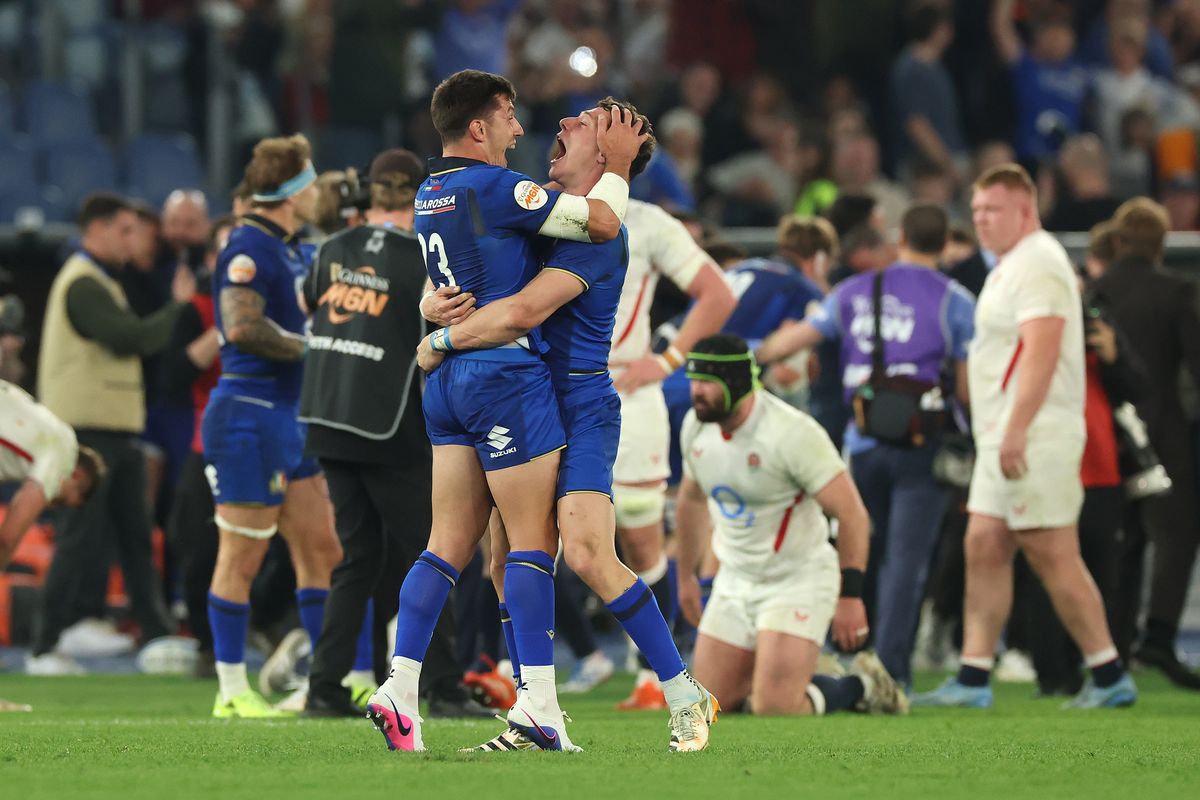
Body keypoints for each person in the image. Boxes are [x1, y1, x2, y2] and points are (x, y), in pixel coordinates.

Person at [416, 96, 719, 753]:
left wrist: (437, 344)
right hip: (517, 398)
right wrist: (429, 299)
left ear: (606, 155)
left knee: (585, 551)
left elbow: (523, 310)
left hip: (578, 404)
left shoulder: (603, 236)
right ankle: (535, 710)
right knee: (505, 559)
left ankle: (684, 693)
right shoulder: (541, 218)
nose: (558, 127)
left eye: (580, 126)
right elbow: (473, 277)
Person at [365, 69, 642, 754]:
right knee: (529, 543)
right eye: (510, 116)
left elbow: (447, 282)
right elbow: (601, 222)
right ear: (480, 127)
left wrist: (432, 323)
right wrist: (624, 168)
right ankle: (541, 704)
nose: (521, 129)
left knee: (446, 544)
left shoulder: (430, 191)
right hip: (503, 374)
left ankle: (400, 685)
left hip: (447, 384)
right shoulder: (497, 186)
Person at [914, 163, 1137, 709]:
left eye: (994, 210)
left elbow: (1042, 349)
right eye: (977, 212)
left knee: (1052, 552)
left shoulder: (1039, 262)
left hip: (1032, 433)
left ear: (1026, 209)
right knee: (984, 543)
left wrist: (1015, 428)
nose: (983, 221)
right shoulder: (1011, 264)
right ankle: (973, 675)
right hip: (1005, 433)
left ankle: (1109, 675)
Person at [297, 149, 488, 719]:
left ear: (371, 190)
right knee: (435, 550)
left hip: (326, 417)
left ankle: (326, 687)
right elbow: (450, 321)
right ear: (420, 194)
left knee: (360, 557)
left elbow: (315, 306)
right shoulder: (422, 258)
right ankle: (446, 686)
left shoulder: (330, 249)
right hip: (388, 424)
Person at [756, 204, 975, 689]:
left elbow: (794, 340)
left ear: (900, 239)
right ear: (944, 245)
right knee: (907, 561)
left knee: (857, 550)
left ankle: (848, 654)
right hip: (925, 441)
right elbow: (964, 389)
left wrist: (749, 356)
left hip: (862, 439)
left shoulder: (857, 290)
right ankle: (893, 671)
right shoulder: (956, 301)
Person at [672, 334, 907, 717]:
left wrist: (850, 596)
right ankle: (795, 669)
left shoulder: (791, 433)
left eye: (706, 383)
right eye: (693, 381)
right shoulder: (695, 427)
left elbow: (852, 514)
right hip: (736, 578)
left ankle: (859, 685)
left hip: (797, 578)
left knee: (774, 707)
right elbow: (692, 500)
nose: (696, 392)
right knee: (711, 707)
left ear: (735, 383)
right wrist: (685, 578)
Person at [202, 134, 344, 718]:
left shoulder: (287, 248)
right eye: (309, 184)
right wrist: (316, 346)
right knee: (241, 555)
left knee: (324, 549)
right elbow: (242, 329)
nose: (315, 195)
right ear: (290, 193)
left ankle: (323, 682)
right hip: (249, 415)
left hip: (290, 417)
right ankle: (232, 691)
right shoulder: (247, 247)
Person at [31, 192, 192, 676]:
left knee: (136, 535)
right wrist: (177, 307)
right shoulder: (82, 284)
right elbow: (132, 338)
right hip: (85, 430)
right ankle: (45, 643)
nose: (132, 240)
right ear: (95, 230)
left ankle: (158, 636)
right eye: (123, 230)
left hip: (116, 429)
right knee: (80, 535)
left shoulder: (101, 281)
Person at [1091, 198, 1200, 689]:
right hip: (1164, 431)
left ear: (1116, 241)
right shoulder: (1176, 291)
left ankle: (1113, 644)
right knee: (1176, 535)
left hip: (1105, 431)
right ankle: (1157, 635)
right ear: (1160, 244)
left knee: (1123, 540)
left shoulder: (1096, 292)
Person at [163, 215, 236, 677]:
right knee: (199, 546)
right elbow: (174, 375)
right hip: (208, 440)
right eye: (225, 250)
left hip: (272, 436)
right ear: (211, 258)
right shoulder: (197, 308)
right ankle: (208, 645)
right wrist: (231, 321)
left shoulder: (284, 303)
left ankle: (272, 626)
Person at [0, 380, 105, 570]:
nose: (49, 504)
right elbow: (9, 536)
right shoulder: (62, 454)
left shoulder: (38, 437)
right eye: (60, 500)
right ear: (77, 475)